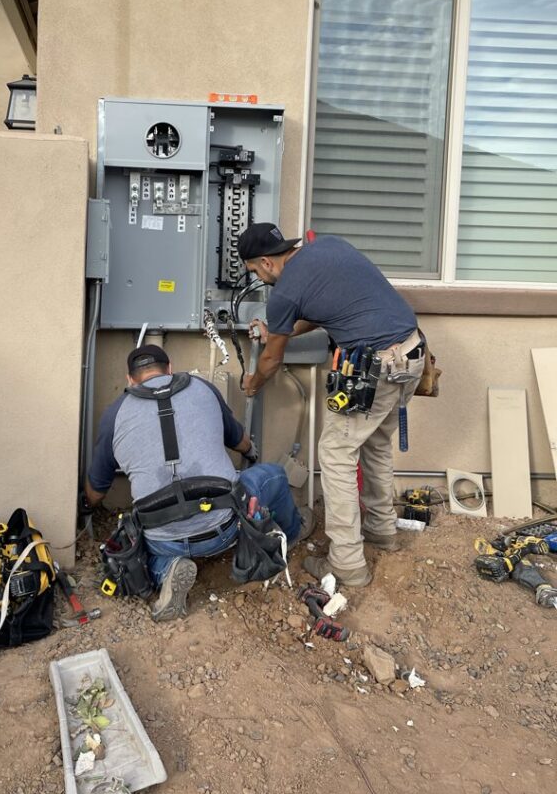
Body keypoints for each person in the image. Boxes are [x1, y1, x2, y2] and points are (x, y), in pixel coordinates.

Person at [237, 223, 425, 588]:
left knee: (336, 453)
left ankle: (347, 564)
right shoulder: (328, 248)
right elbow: (325, 308)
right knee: (376, 445)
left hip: (379, 368)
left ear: (265, 262)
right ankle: (382, 530)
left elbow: (271, 361)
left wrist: (252, 383)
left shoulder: (285, 292)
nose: (259, 278)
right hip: (412, 353)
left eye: (256, 272)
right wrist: (279, 327)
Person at [85, 343, 302, 621]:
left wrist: (86, 507)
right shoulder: (201, 387)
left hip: (164, 539)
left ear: (129, 380)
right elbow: (239, 440)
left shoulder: (114, 414)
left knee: (140, 541)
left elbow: (97, 488)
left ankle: (167, 568)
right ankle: (290, 537)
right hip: (224, 527)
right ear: (170, 369)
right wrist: (250, 452)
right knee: (274, 475)